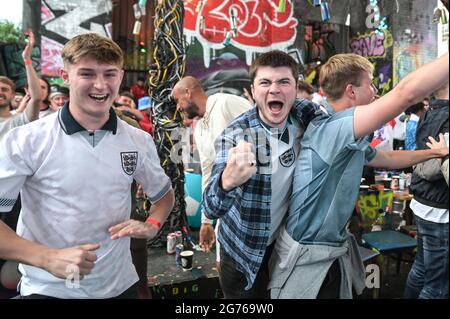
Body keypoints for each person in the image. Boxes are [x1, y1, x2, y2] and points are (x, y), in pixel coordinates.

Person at [0, 33, 175, 299]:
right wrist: (47, 257)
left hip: (120, 285)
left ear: (121, 76)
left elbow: (163, 195)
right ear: (66, 76)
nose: (101, 84)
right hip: (49, 289)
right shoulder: (26, 139)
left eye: (109, 74)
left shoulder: (137, 140)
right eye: (87, 73)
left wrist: (153, 223)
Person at [268, 53, 449, 299]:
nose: (375, 92)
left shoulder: (342, 131)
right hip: (308, 259)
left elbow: (387, 159)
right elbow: (404, 94)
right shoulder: (333, 128)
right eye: (370, 84)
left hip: (324, 252)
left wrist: (433, 153)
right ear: (351, 91)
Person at [202, 50, 319, 298]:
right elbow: (211, 207)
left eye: (283, 82)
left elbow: (336, 123)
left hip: (284, 247)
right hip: (241, 252)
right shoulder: (235, 136)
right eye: (265, 82)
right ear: (253, 91)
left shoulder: (304, 115)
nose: (274, 89)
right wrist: (227, 181)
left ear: (296, 88)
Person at [172, 76, 252, 257]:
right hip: (227, 209)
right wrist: (206, 221)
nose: (178, 107)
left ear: (188, 93)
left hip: (252, 206)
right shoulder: (198, 128)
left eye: (178, 101)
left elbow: (262, 129)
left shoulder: (223, 102)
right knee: (223, 262)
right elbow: (208, 172)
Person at [404, 82, 449, 299]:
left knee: (421, 269)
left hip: (425, 205)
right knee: (437, 286)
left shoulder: (430, 111)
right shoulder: (445, 115)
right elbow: (433, 168)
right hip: (439, 212)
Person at [0, 30, 41, 141]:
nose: (0, 92)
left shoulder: (19, 120)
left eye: (4, 89)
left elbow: (36, 98)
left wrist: (27, 59)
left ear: (13, 95)